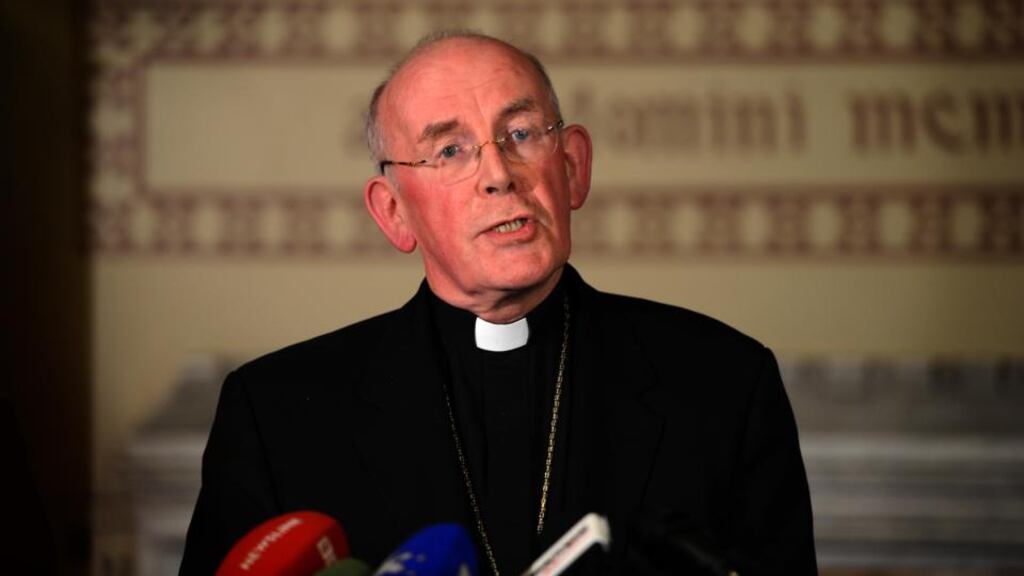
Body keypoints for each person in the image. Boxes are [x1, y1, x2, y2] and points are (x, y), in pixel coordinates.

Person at [181, 31, 816, 575]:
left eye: (520, 132)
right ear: (394, 212)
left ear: (573, 168)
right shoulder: (276, 415)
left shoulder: (722, 383)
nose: (499, 173)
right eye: (450, 149)